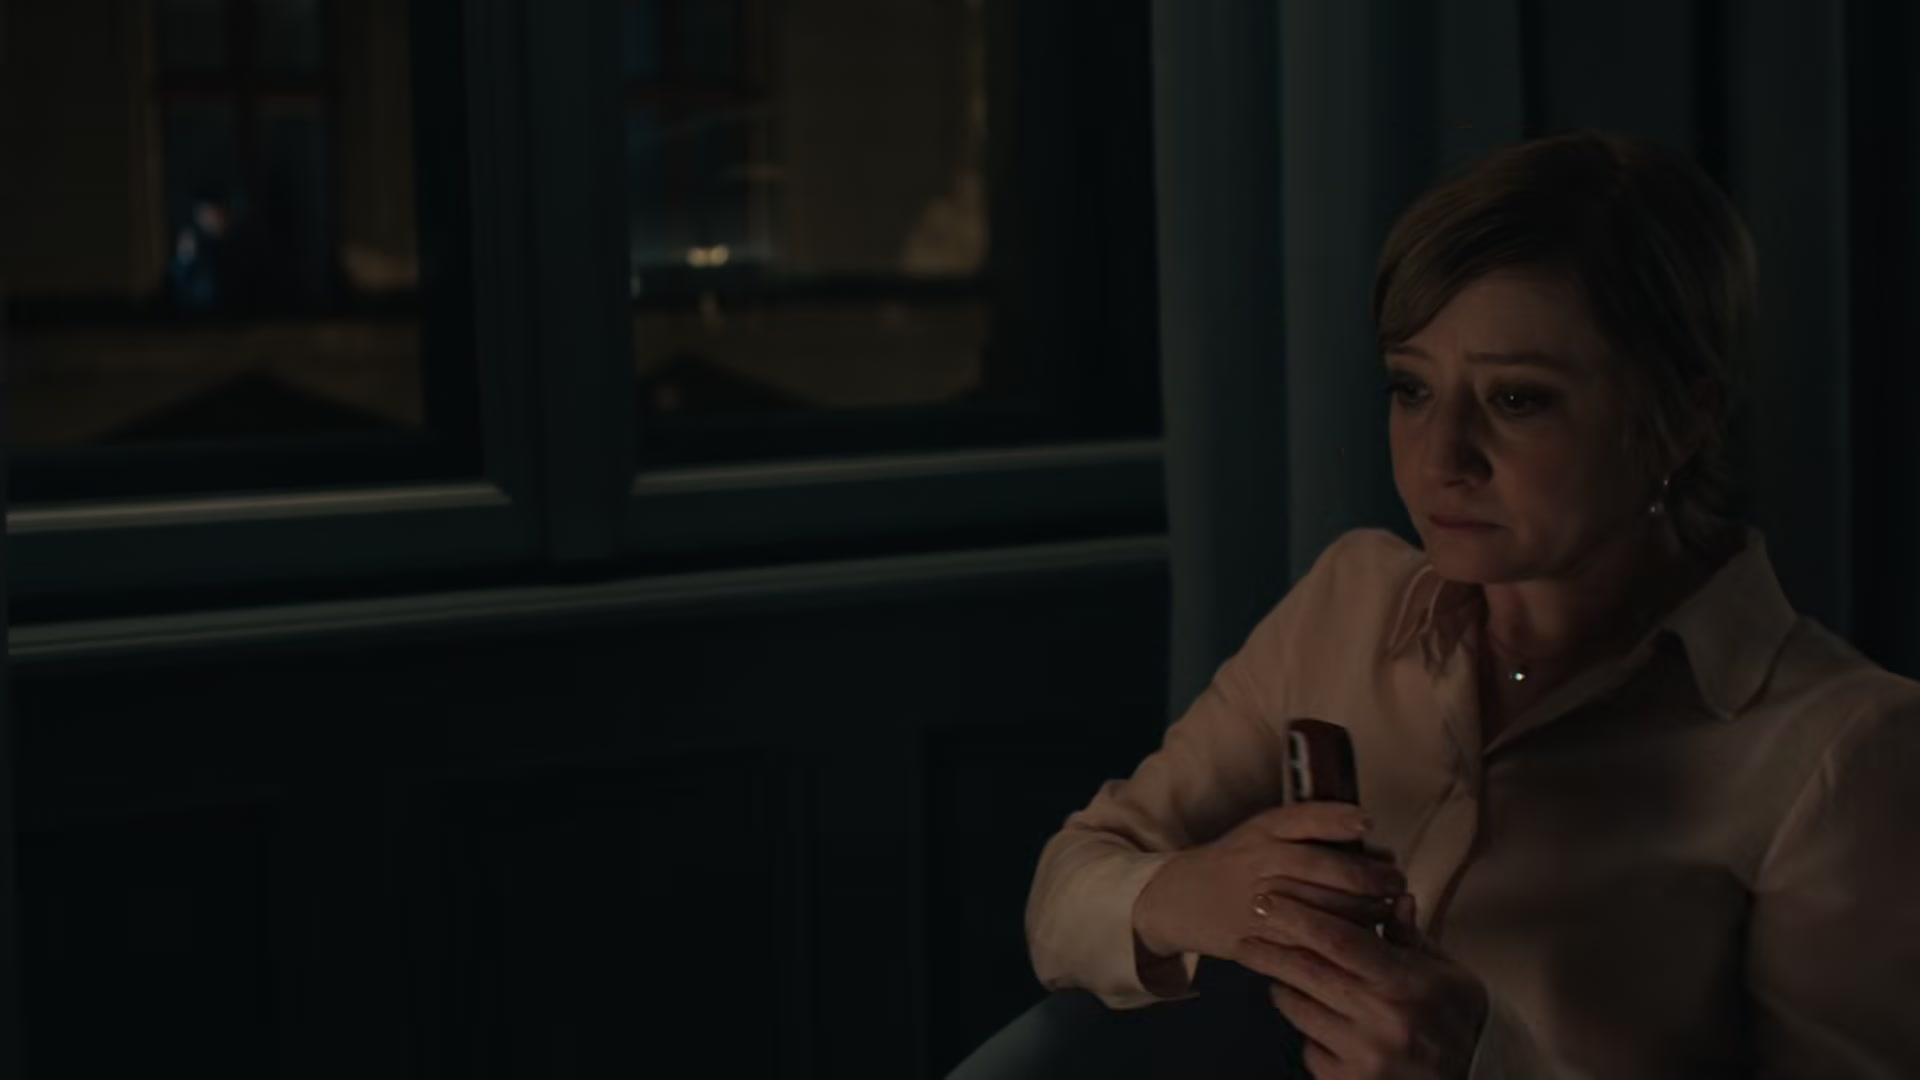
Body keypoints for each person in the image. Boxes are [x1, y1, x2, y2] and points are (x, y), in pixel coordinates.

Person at [1023, 129, 1920, 1079]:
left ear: (1682, 418)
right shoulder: (1347, 606)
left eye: (1517, 400)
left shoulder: (1843, 749)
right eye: (1412, 388)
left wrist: (1485, 1066)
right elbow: (1066, 890)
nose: (1440, 457)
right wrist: (1193, 893)